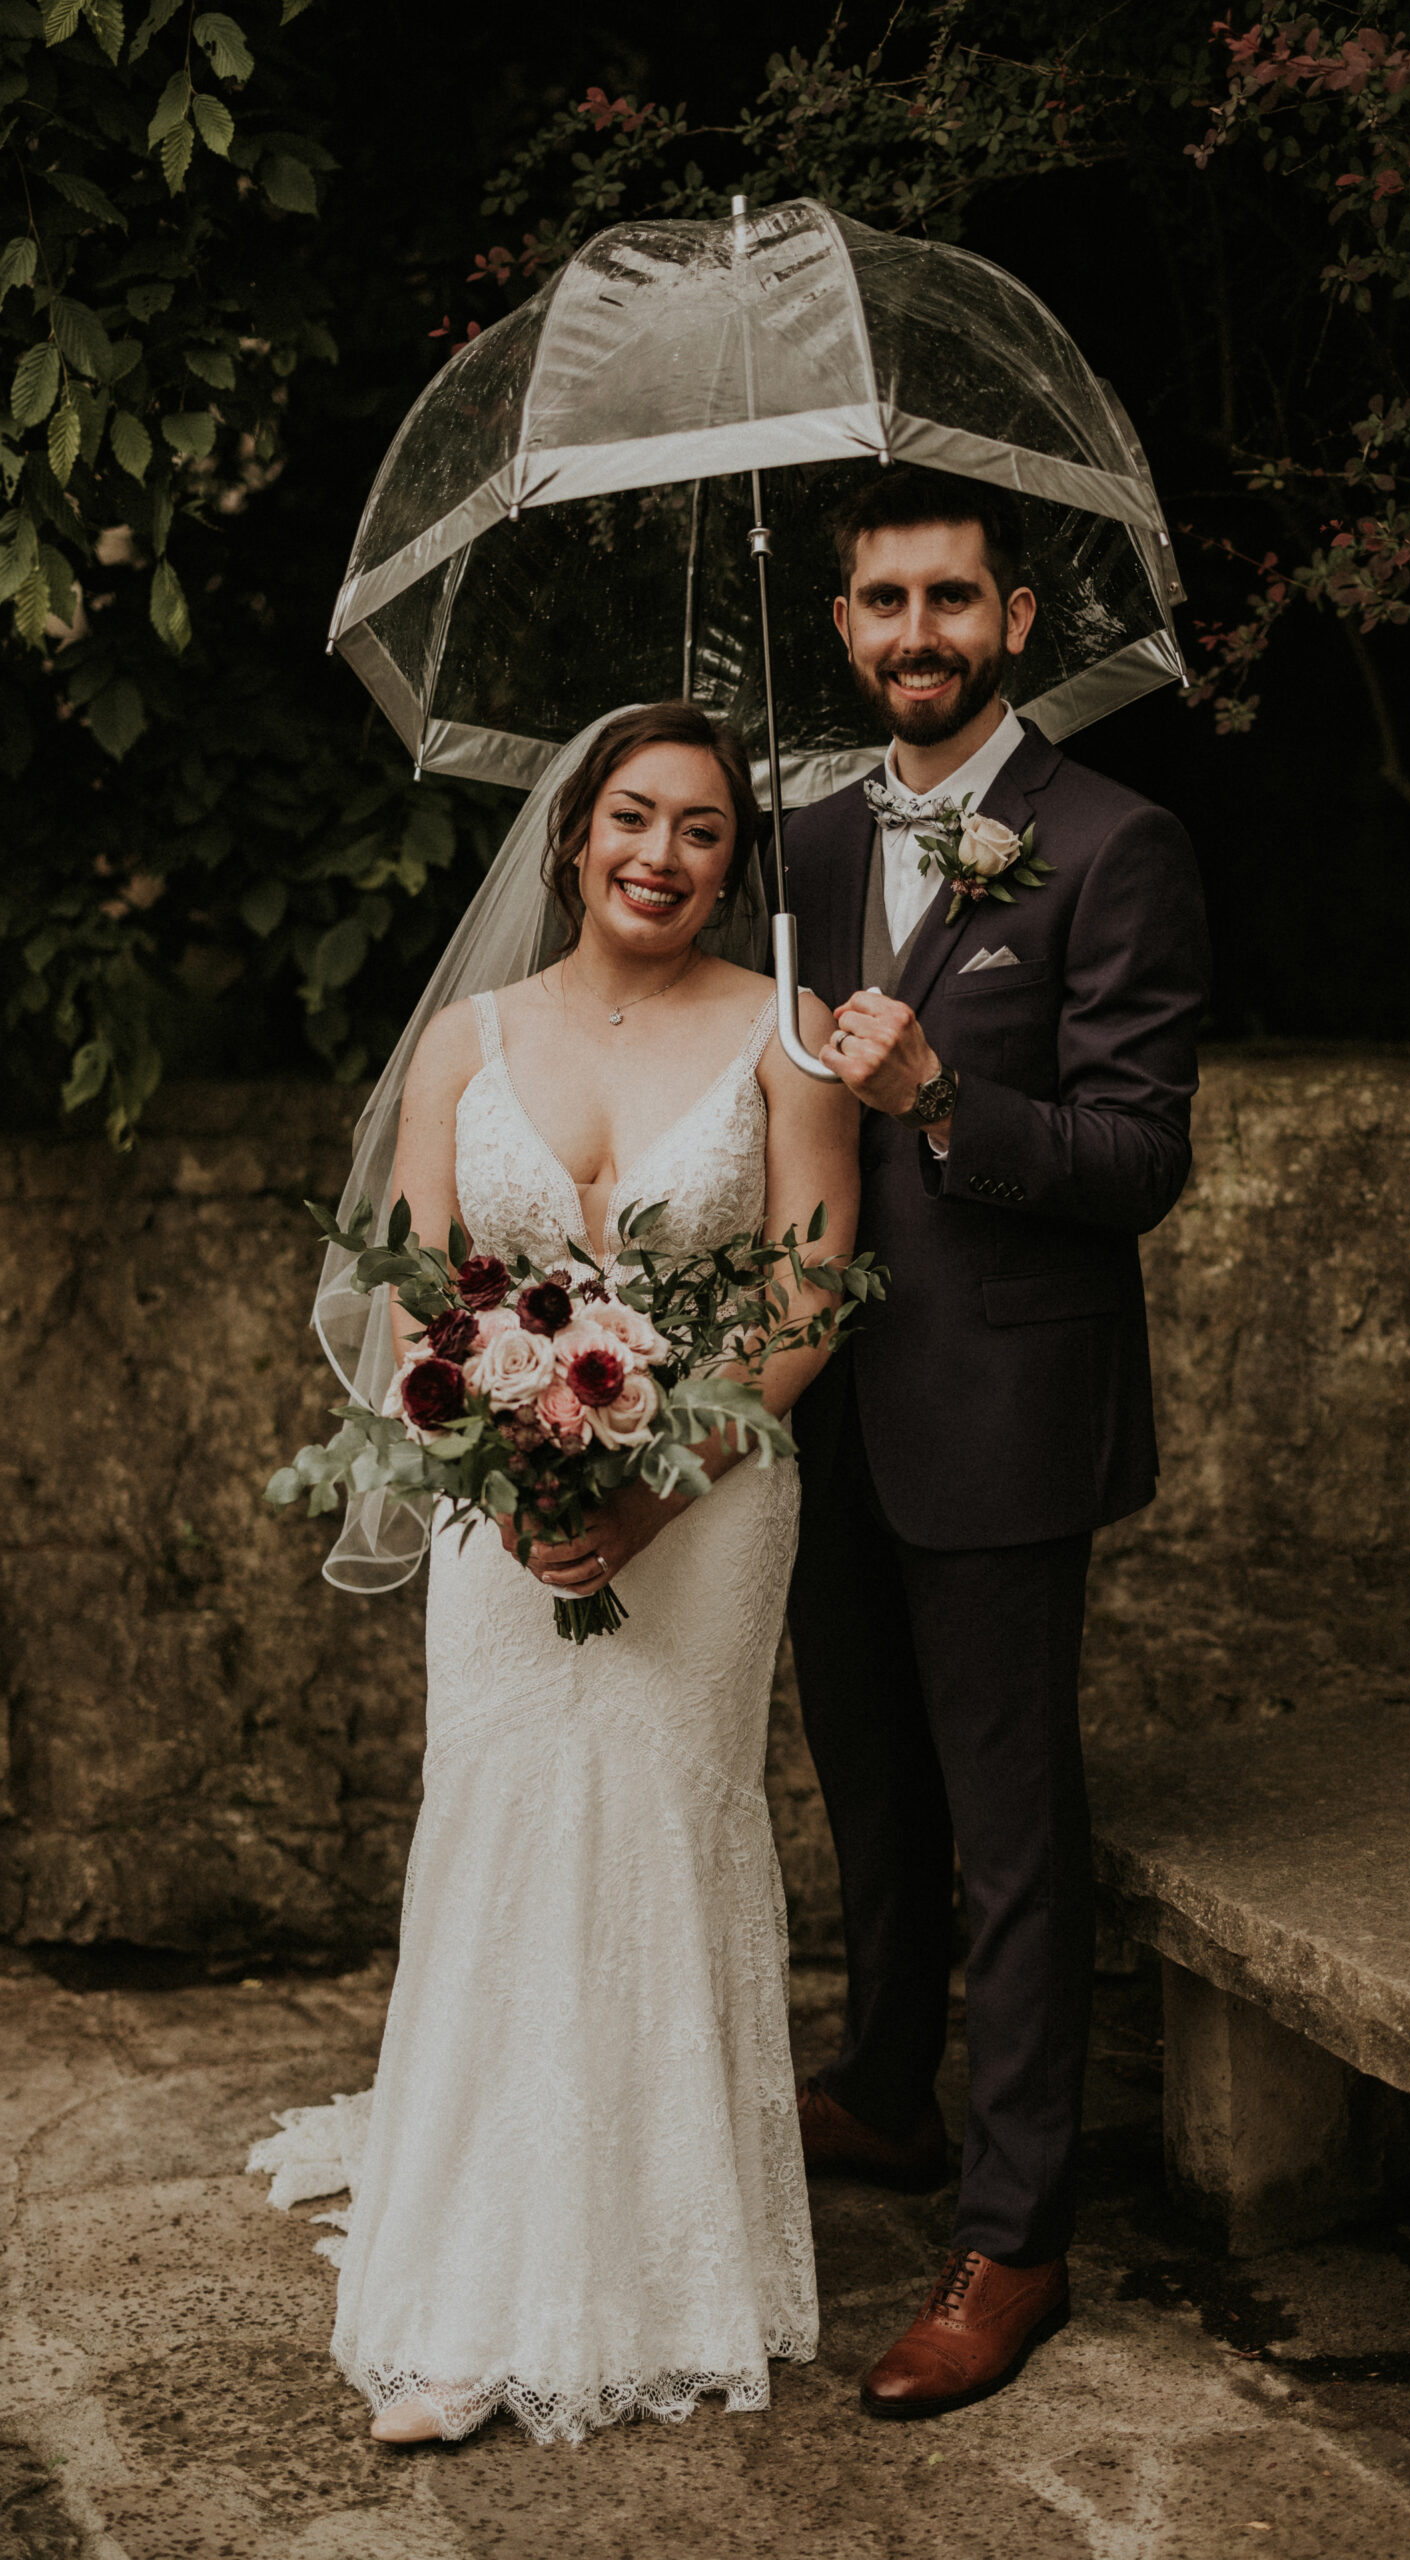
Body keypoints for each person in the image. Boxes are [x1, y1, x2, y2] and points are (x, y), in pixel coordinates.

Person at [254, 702, 859, 2445]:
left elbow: (813, 1293)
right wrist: (501, 1456)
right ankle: (462, 2299)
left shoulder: (785, 1034)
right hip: (498, 1496)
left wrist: (663, 1489)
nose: (659, 857)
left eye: (701, 833)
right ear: (574, 833)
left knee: (665, 1821)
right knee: (509, 1817)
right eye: (632, 818)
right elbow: (414, 1287)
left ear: (736, 865)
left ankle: (668, 2268)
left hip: (717, 1497)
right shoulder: (469, 1034)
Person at [779, 466, 1210, 2419]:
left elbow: (1134, 1162)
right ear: (848, 624)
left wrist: (946, 1091)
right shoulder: (786, 840)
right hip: (809, 1403)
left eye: (950, 598)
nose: (915, 634)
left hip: (1003, 1410)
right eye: (882, 603)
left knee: (1009, 1834)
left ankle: (1012, 2232)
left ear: (1015, 618)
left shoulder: (1112, 843)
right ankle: (880, 2081)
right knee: (865, 1785)